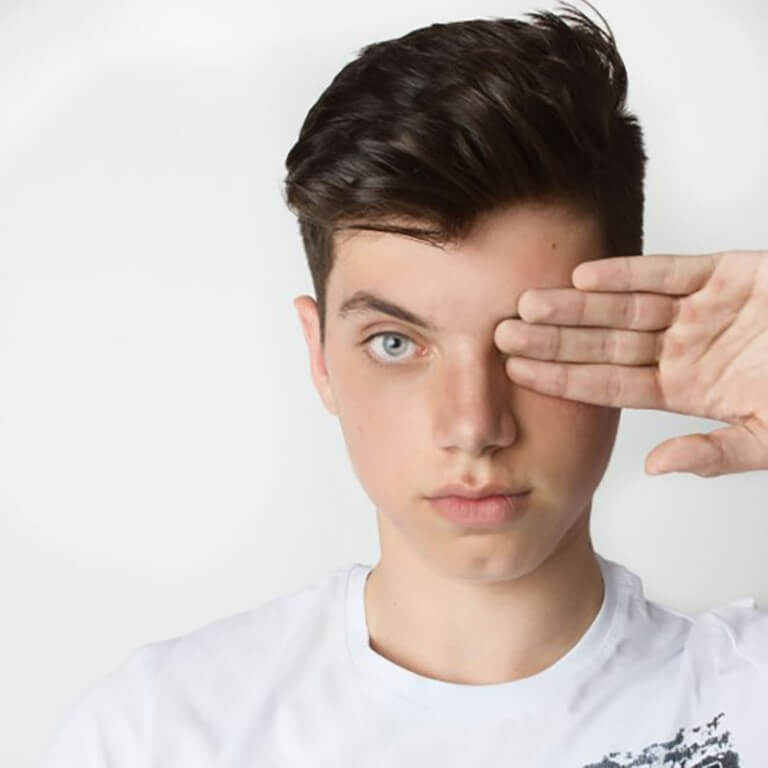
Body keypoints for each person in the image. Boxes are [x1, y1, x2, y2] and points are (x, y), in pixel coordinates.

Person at [41, 1, 768, 766]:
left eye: (530, 341)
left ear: (627, 331)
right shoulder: (155, 734)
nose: (474, 425)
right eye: (396, 343)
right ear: (321, 356)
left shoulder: (748, 700)